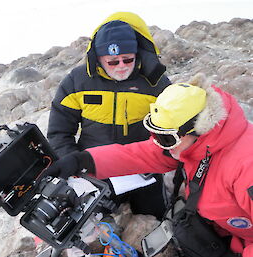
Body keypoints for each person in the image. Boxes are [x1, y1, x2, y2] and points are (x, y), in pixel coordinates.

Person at [46, 73, 253, 256]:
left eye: (166, 139)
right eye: (155, 134)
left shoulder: (246, 169)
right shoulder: (198, 143)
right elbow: (141, 155)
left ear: (199, 129)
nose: (159, 144)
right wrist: (83, 160)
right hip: (224, 236)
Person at [47, 12, 172, 219]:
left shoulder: (156, 82)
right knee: (88, 224)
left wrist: (158, 157)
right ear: (98, 58)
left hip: (144, 167)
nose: (122, 66)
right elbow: (59, 132)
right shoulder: (77, 81)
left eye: (128, 59)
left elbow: (172, 128)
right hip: (94, 167)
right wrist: (74, 164)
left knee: (156, 219)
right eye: (113, 62)